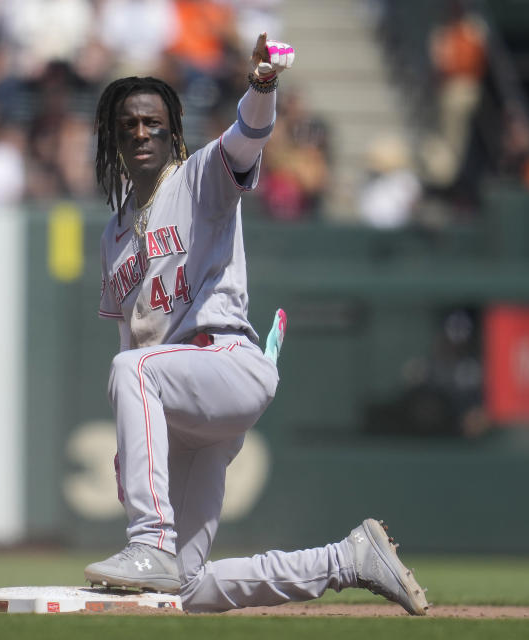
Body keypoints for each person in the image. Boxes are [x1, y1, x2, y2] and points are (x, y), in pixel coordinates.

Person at [86, 33, 429, 615]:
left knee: (132, 373)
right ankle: (349, 559)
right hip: (180, 399)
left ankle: (149, 542)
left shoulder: (198, 179)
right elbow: (133, 339)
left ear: (173, 131)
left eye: (152, 122)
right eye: (127, 125)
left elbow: (248, 138)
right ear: (113, 138)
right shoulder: (114, 235)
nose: (139, 132)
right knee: (186, 588)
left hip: (226, 362)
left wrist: (263, 86)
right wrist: (131, 446)